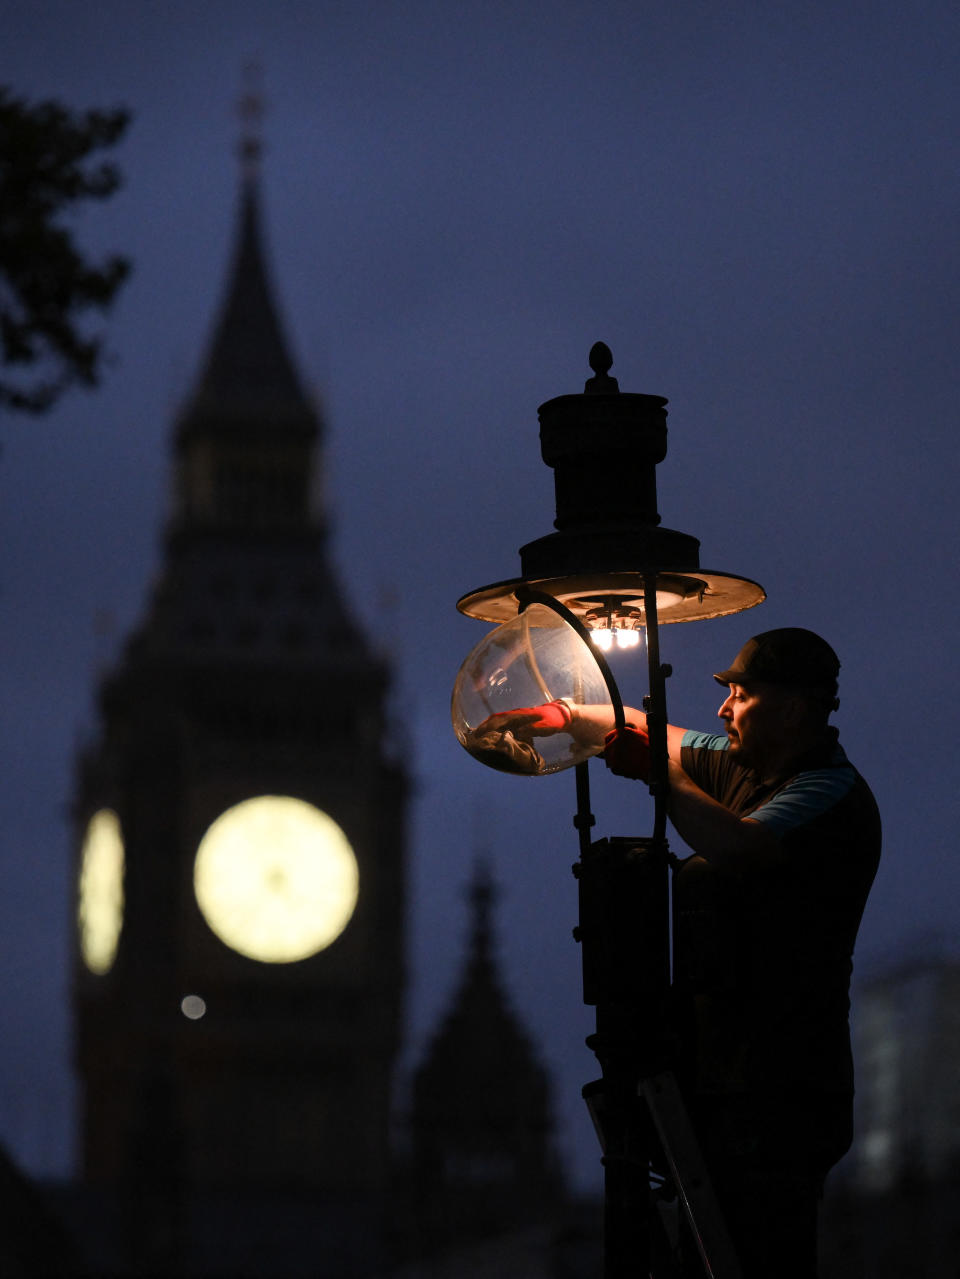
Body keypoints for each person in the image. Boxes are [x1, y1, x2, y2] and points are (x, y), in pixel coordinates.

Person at [480, 627, 880, 1277]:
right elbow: (645, 727)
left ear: (793, 710)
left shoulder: (826, 795)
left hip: (779, 1090)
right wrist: (561, 717)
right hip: (724, 1078)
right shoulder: (742, 764)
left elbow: (739, 845)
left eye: (741, 695)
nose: (723, 710)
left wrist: (659, 779)